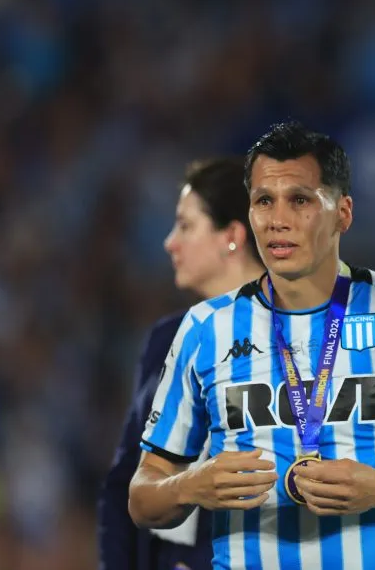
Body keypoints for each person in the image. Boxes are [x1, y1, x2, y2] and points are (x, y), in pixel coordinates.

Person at [128, 121, 375, 570]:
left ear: (343, 213)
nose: (278, 220)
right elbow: (143, 496)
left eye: (300, 200)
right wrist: (189, 486)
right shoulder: (206, 327)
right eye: (264, 201)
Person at [99, 157, 266, 570]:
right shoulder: (166, 339)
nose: (170, 243)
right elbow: (124, 482)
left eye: (186, 226)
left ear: (231, 236)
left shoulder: (298, 338)